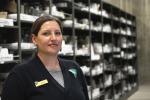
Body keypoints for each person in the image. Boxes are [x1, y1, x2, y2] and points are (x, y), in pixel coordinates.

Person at [1, 15, 89, 100]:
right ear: (34, 39)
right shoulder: (20, 75)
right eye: (46, 33)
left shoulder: (74, 68)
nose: (54, 38)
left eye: (57, 33)